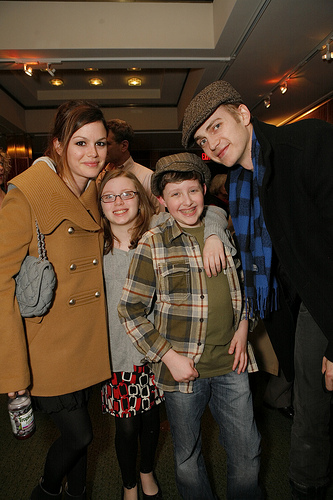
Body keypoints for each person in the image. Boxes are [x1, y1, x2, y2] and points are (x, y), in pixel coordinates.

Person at [181, 80, 333, 499]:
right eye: (202, 139)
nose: (210, 144)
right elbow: (227, 231)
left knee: (309, 414)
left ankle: (306, 487)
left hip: (324, 302)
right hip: (289, 304)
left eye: (216, 126)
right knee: (310, 403)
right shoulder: (241, 182)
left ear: (244, 114)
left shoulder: (308, 145)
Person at [118, 153, 262, 500]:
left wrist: (244, 324)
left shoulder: (225, 235)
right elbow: (130, 309)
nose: (186, 201)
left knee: (247, 452)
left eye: (193, 191)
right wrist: (168, 357)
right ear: (162, 201)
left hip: (232, 364)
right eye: (176, 194)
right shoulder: (153, 245)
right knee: (187, 456)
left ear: (204, 191)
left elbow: (247, 289)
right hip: (183, 371)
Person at [0, 100, 111, 500]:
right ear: (58, 145)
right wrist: (13, 372)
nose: (93, 154)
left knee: (82, 440)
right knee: (80, 436)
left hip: (87, 342)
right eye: (80, 143)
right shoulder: (27, 194)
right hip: (48, 346)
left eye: (101, 144)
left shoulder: (95, 189)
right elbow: (1, 283)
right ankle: (44, 491)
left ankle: (77, 494)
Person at [98, 169, 164, 500]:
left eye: (127, 194)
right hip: (115, 354)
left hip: (156, 350)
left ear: (140, 198)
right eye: (109, 196)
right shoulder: (94, 246)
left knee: (151, 422)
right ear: (100, 204)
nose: (119, 202)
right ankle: (129, 484)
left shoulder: (158, 236)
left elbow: (207, 213)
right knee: (125, 428)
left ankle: (147, 470)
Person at [98, 119, 161, 213]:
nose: (102, 148)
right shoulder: (101, 176)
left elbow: (159, 215)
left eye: (107, 144)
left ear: (124, 146)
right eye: (100, 143)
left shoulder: (147, 176)